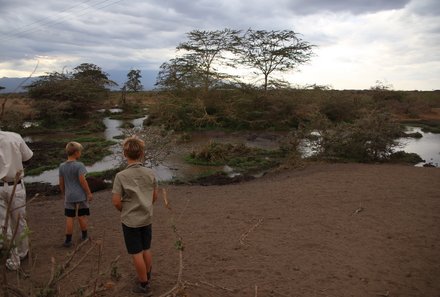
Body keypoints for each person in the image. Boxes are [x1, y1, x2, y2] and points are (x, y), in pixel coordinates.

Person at [112, 137, 158, 296]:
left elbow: (116, 201)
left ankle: (144, 284)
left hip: (130, 221)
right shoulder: (150, 172)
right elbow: (154, 196)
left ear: (125, 154)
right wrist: (145, 205)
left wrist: (125, 210)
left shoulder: (120, 176)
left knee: (136, 252)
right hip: (146, 217)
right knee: (146, 248)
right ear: (142, 153)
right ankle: (148, 276)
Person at [0, 130, 33, 270]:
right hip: (16, 184)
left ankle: (13, 259)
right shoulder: (14, 137)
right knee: (19, 220)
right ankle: (22, 252)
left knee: (3, 224)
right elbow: (28, 158)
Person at [59, 142, 93, 247]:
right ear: (76, 153)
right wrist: (89, 193)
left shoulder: (62, 166)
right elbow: (83, 181)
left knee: (70, 217)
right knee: (81, 216)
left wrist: (63, 192)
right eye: (80, 152)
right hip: (80, 195)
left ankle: (68, 240)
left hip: (69, 196)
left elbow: (61, 182)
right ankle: (84, 236)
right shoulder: (80, 165)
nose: (81, 154)